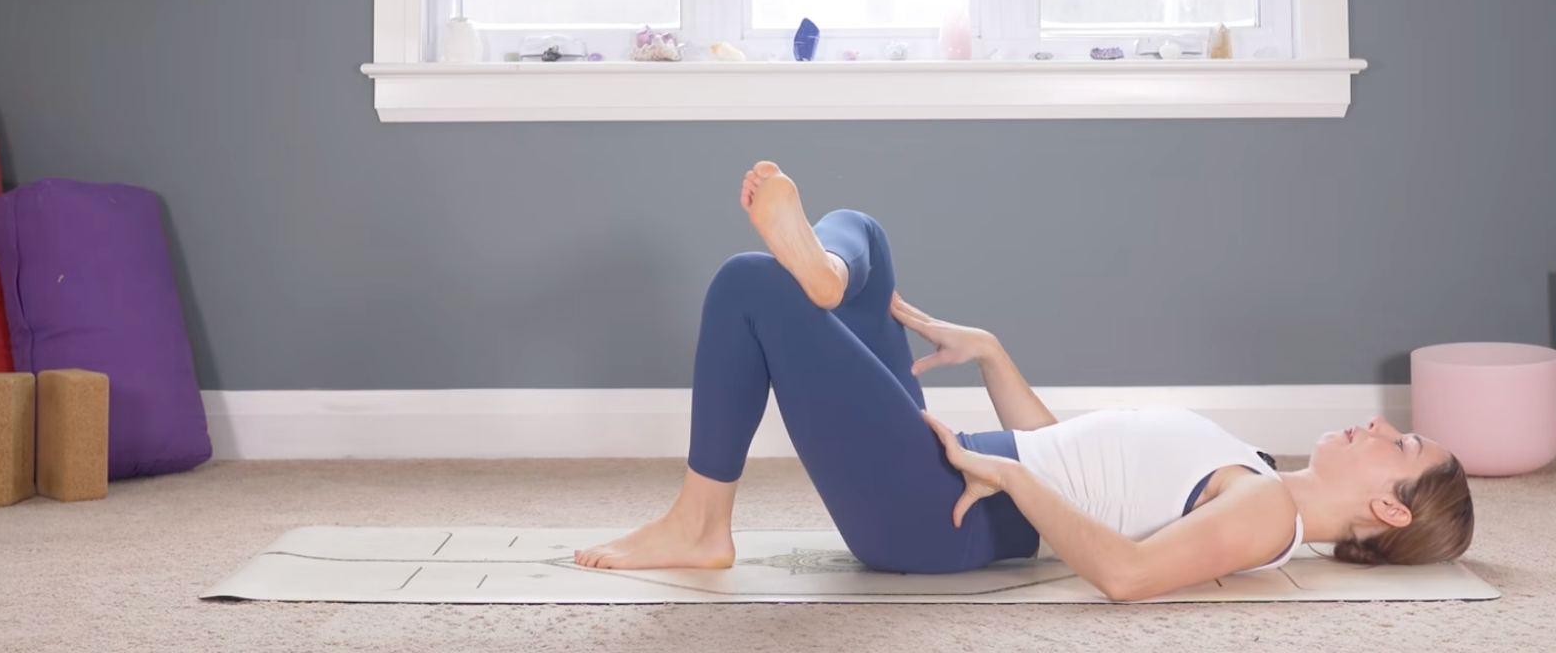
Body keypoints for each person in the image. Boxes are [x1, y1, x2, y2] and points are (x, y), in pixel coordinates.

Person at [575, 162, 1474, 601]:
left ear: (1389, 509)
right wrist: (994, 353)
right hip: (967, 471)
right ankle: (831, 276)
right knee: (867, 238)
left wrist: (1008, 474)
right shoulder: (1255, 470)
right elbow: (1079, 461)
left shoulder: (1268, 514)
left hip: (940, 512)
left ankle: (700, 525)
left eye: (1399, 445)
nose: (1376, 423)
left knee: (744, 283)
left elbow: (1125, 572)